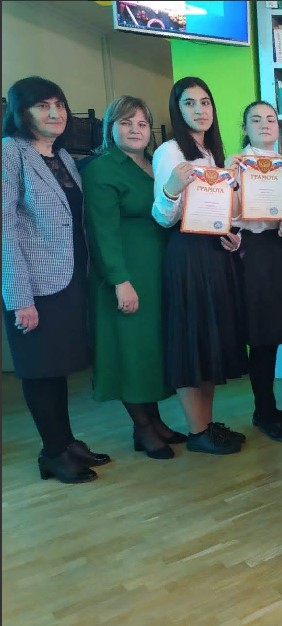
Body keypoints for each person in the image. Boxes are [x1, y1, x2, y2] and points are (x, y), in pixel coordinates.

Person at [2, 76, 110, 482]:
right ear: (22, 112)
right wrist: (20, 298)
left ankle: (66, 442)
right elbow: (4, 228)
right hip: (33, 285)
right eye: (43, 105)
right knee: (39, 369)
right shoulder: (10, 152)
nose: (54, 113)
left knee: (57, 366)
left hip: (68, 280)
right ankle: (52, 453)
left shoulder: (62, 156)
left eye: (59, 105)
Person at [82, 95, 185, 460]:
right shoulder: (102, 168)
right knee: (128, 350)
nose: (135, 130)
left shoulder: (154, 164)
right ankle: (142, 427)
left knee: (148, 350)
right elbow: (102, 231)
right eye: (126, 123)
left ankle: (154, 421)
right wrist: (120, 281)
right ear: (110, 128)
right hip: (125, 274)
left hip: (156, 272)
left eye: (142, 123)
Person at [151, 76, 248, 455]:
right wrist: (171, 188)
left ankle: (206, 425)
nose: (200, 110)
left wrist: (235, 235)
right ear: (177, 110)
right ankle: (196, 431)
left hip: (216, 254)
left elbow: (229, 213)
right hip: (187, 255)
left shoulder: (213, 153)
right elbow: (163, 217)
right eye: (189, 103)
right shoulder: (170, 152)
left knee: (209, 342)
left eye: (205, 102)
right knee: (191, 341)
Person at [225, 100, 282, 444]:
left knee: (275, 331)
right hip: (251, 251)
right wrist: (233, 181)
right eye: (256, 119)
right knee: (261, 335)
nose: (265, 124)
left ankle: (269, 407)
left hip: (279, 248)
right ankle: (264, 411)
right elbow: (228, 214)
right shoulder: (236, 164)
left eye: (271, 119)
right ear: (245, 128)